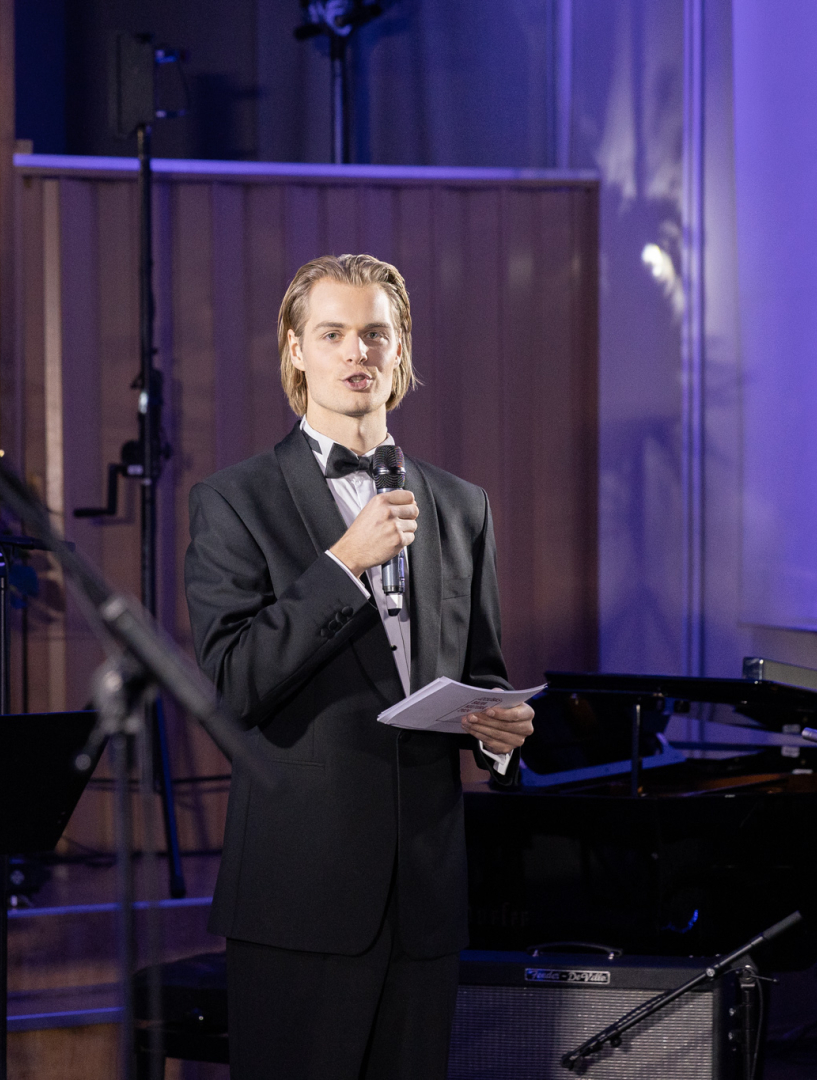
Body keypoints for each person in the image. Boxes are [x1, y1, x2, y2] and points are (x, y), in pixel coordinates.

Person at [184, 253, 535, 1080]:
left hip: (426, 895)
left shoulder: (463, 504)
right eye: (333, 333)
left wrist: (499, 732)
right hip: (300, 892)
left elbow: (483, 668)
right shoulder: (235, 499)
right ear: (295, 349)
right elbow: (236, 682)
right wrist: (343, 565)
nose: (357, 352)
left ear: (400, 348)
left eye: (375, 334)